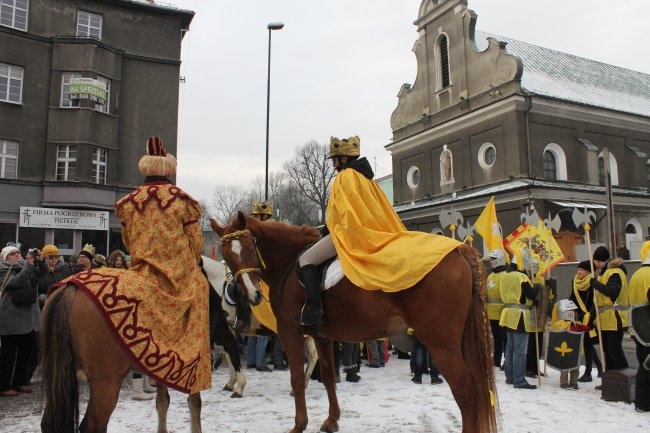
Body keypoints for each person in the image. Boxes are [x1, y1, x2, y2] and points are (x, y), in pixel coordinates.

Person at [296, 135, 460, 325]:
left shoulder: (344, 178)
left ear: (343, 159)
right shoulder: (368, 180)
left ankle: (315, 309)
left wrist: (323, 233)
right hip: (375, 232)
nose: (333, 165)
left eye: (334, 159)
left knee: (305, 260)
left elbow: (341, 216)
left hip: (350, 234)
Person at [0, 245, 43, 396]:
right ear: (5, 257)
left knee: (26, 352)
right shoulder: (3, 269)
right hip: (10, 318)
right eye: (12, 253)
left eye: (18, 252)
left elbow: (40, 274)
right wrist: (29, 265)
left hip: (28, 319)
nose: (17, 255)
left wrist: (40, 261)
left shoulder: (27, 267)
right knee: (8, 354)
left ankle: (20, 381)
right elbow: (16, 282)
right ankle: (3, 385)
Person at [499, 247, 538, 390]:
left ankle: (510, 377)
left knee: (509, 348)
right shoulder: (521, 277)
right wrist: (537, 287)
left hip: (507, 314)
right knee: (520, 350)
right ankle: (519, 380)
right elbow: (531, 294)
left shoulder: (504, 276)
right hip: (519, 315)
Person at [590, 245, 629, 384]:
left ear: (598, 260)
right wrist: (592, 318)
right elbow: (599, 300)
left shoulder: (615, 272)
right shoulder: (604, 273)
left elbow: (612, 292)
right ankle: (610, 381)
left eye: (594, 261)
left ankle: (626, 378)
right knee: (606, 351)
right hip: (606, 320)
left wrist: (595, 284)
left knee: (614, 350)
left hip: (615, 318)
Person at [569, 260, 603, 382]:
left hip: (590, 316)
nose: (579, 272)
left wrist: (591, 316)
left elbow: (596, 300)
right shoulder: (574, 281)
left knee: (587, 343)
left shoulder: (593, 281)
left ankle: (588, 372)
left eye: (582, 270)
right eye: (578, 269)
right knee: (585, 343)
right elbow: (572, 297)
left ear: (588, 272)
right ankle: (599, 366)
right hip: (578, 317)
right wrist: (567, 309)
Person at [627, 241, 650, 412]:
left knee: (644, 365)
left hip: (639, 330)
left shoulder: (636, 274)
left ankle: (642, 402)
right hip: (648, 328)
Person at [550, 299, 591, 390]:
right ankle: (564, 382)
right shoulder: (560, 324)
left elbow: (587, 328)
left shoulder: (577, 324)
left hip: (575, 351)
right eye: (570, 311)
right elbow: (560, 327)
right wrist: (570, 323)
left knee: (575, 368)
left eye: (573, 311)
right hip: (565, 350)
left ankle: (573, 382)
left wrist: (589, 317)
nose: (573, 313)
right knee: (565, 367)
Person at [483, 249, 508, 369]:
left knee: (506, 339)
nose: (490, 263)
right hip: (492, 313)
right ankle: (496, 360)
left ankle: (507, 361)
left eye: (492, 260)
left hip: (503, 312)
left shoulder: (505, 275)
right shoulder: (490, 276)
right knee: (497, 339)